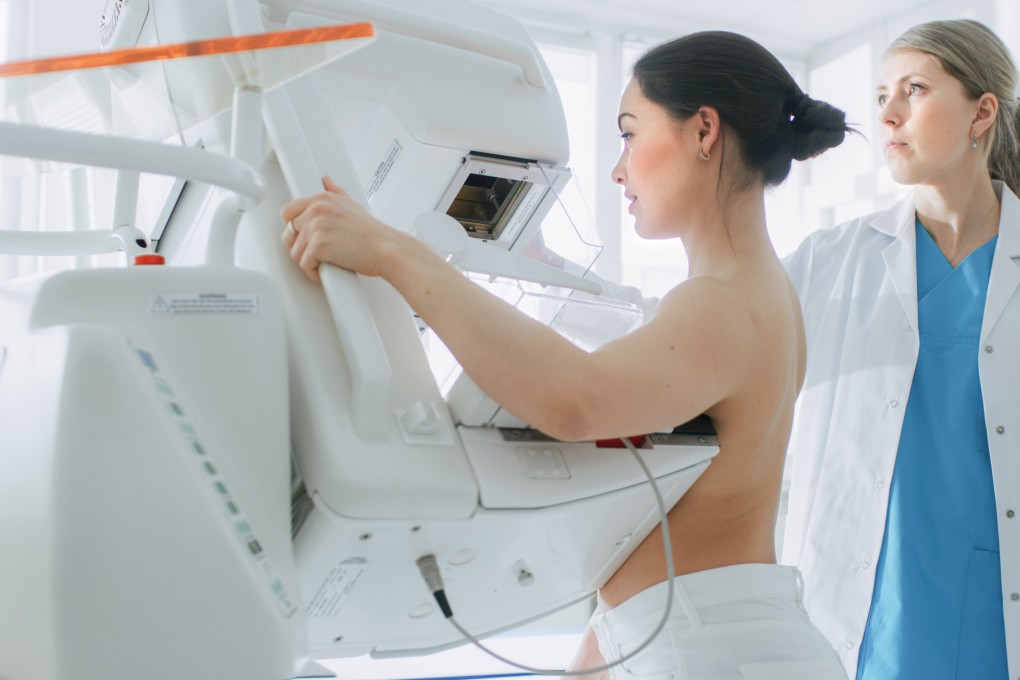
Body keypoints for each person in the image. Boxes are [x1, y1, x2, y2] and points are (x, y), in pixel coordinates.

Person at [282, 31, 850, 679]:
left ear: (704, 132)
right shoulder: (759, 294)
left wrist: (391, 253)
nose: (618, 169)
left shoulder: (721, 303)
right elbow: (673, 534)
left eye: (630, 134)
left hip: (718, 652)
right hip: (716, 638)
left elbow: (575, 400)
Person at [781, 18, 1020, 680]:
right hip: (867, 617)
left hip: (993, 625)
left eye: (913, 90)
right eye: (882, 93)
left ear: (983, 112)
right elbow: (699, 331)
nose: (887, 114)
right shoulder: (833, 261)